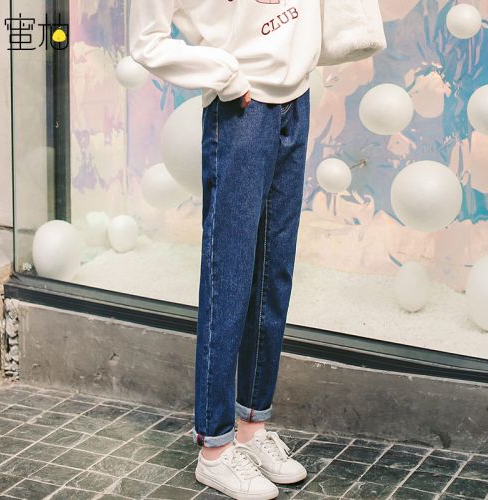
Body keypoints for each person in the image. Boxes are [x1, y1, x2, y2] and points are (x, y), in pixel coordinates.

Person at [129, 1, 386, 498]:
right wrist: (224, 74)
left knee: (274, 273)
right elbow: (146, 41)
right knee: (228, 277)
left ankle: (251, 426)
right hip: (241, 107)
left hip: (296, 97)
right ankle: (215, 447)